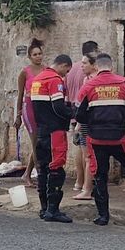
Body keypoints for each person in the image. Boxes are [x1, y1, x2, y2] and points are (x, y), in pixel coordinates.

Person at [76, 53, 125, 226]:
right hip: (119, 138)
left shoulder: (88, 86)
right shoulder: (124, 84)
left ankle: (103, 216)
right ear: (111, 66)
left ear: (97, 67)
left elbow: (79, 115)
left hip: (96, 139)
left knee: (100, 175)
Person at [30, 54, 75, 223]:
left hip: (41, 131)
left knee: (43, 170)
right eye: (66, 71)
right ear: (62, 65)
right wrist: (73, 113)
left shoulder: (38, 79)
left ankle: (44, 208)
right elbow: (58, 107)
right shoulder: (55, 80)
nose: (65, 75)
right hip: (54, 132)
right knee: (56, 169)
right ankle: (53, 210)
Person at [65, 40, 99, 192]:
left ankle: (79, 182)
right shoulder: (90, 73)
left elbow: (67, 94)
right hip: (85, 113)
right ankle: (86, 184)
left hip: (74, 111)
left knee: (79, 148)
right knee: (87, 152)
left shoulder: (71, 70)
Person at [14, 39, 44, 187]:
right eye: (35, 54)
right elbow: (20, 95)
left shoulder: (47, 71)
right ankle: (39, 175)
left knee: (40, 142)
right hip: (29, 107)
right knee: (35, 141)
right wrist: (18, 116)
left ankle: (27, 173)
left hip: (42, 107)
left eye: (40, 54)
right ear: (30, 57)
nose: (38, 56)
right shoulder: (25, 72)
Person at [72, 52, 97, 200]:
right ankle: (85, 186)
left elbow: (84, 105)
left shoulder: (92, 81)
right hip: (84, 121)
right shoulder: (86, 79)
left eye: (85, 63)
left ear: (93, 65)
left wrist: (79, 125)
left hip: (88, 122)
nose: (81, 66)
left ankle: (87, 189)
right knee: (87, 155)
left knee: (88, 156)